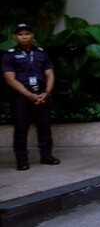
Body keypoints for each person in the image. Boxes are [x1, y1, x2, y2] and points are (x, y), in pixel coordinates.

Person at [2, 23, 60, 170]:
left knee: (44, 127)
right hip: (21, 97)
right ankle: (22, 160)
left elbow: (49, 73)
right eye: (21, 34)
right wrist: (29, 95)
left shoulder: (41, 53)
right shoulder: (9, 55)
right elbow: (10, 79)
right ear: (14, 36)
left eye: (27, 33)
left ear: (32, 35)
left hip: (42, 94)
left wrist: (46, 92)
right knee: (21, 129)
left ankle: (46, 156)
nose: (24, 37)